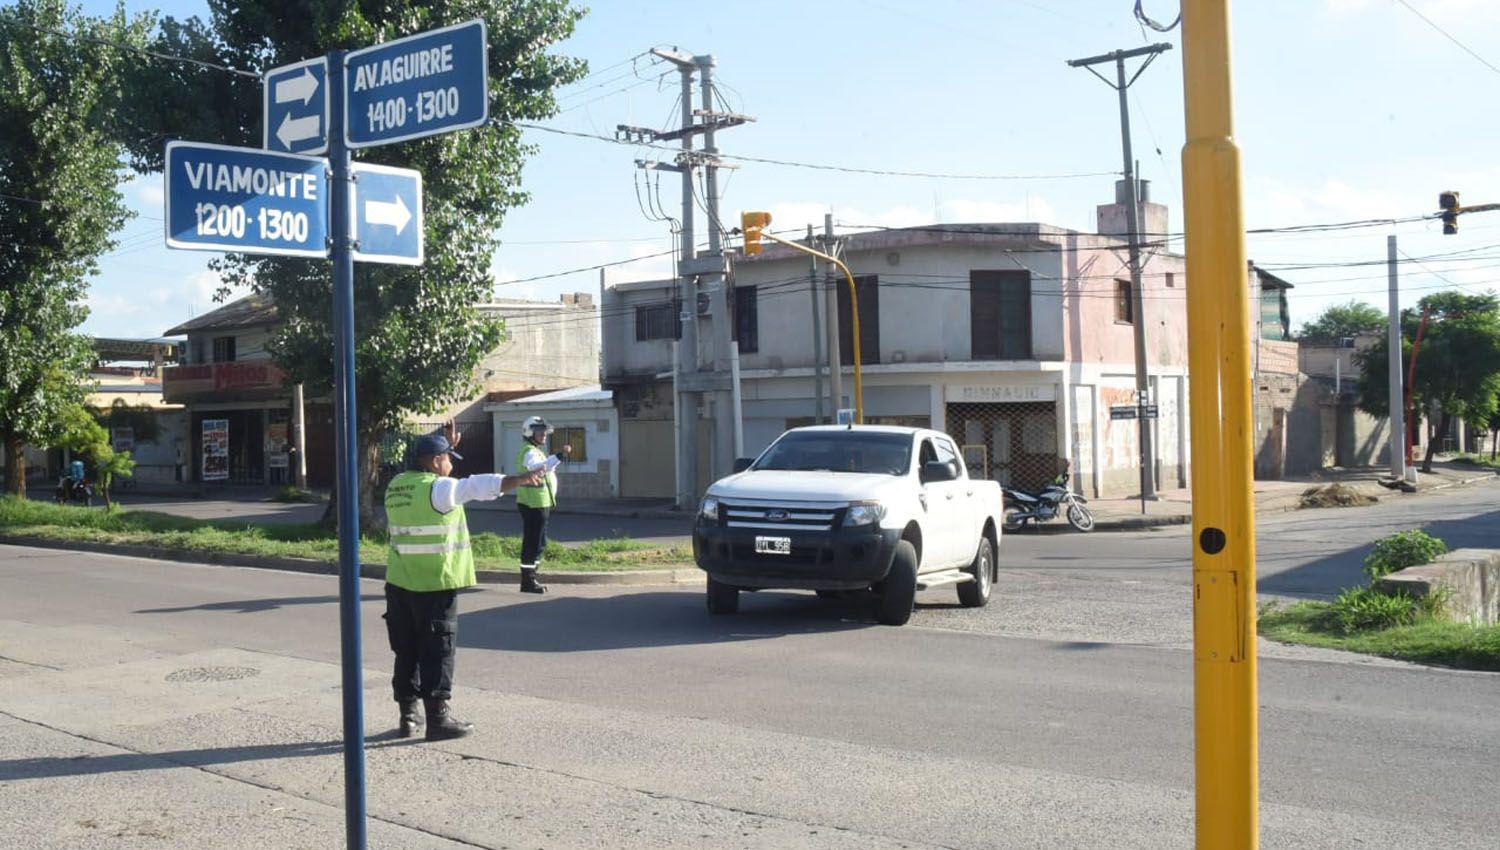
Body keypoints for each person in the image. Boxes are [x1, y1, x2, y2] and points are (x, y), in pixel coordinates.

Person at [383, 427, 539, 740]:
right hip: (434, 583)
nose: (452, 465)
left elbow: (448, 487)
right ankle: (438, 720)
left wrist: (446, 445)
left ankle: (408, 717)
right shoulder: (439, 490)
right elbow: (477, 486)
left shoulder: (396, 485)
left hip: (399, 582)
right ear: (435, 461)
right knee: (437, 651)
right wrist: (520, 479)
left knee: (407, 651)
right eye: (449, 459)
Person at [514, 416, 570, 594]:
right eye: (540, 431)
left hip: (540, 502)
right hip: (533, 504)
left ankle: (533, 576)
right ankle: (527, 581)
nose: (544, 434)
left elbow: (546, 468)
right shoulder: (529, 452)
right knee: (532, 542)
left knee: (540, 542)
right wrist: (559, 455)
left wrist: (556, 460)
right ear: (529, 432)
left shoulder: (536, 450)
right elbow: (538, 468)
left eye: (545, 431)